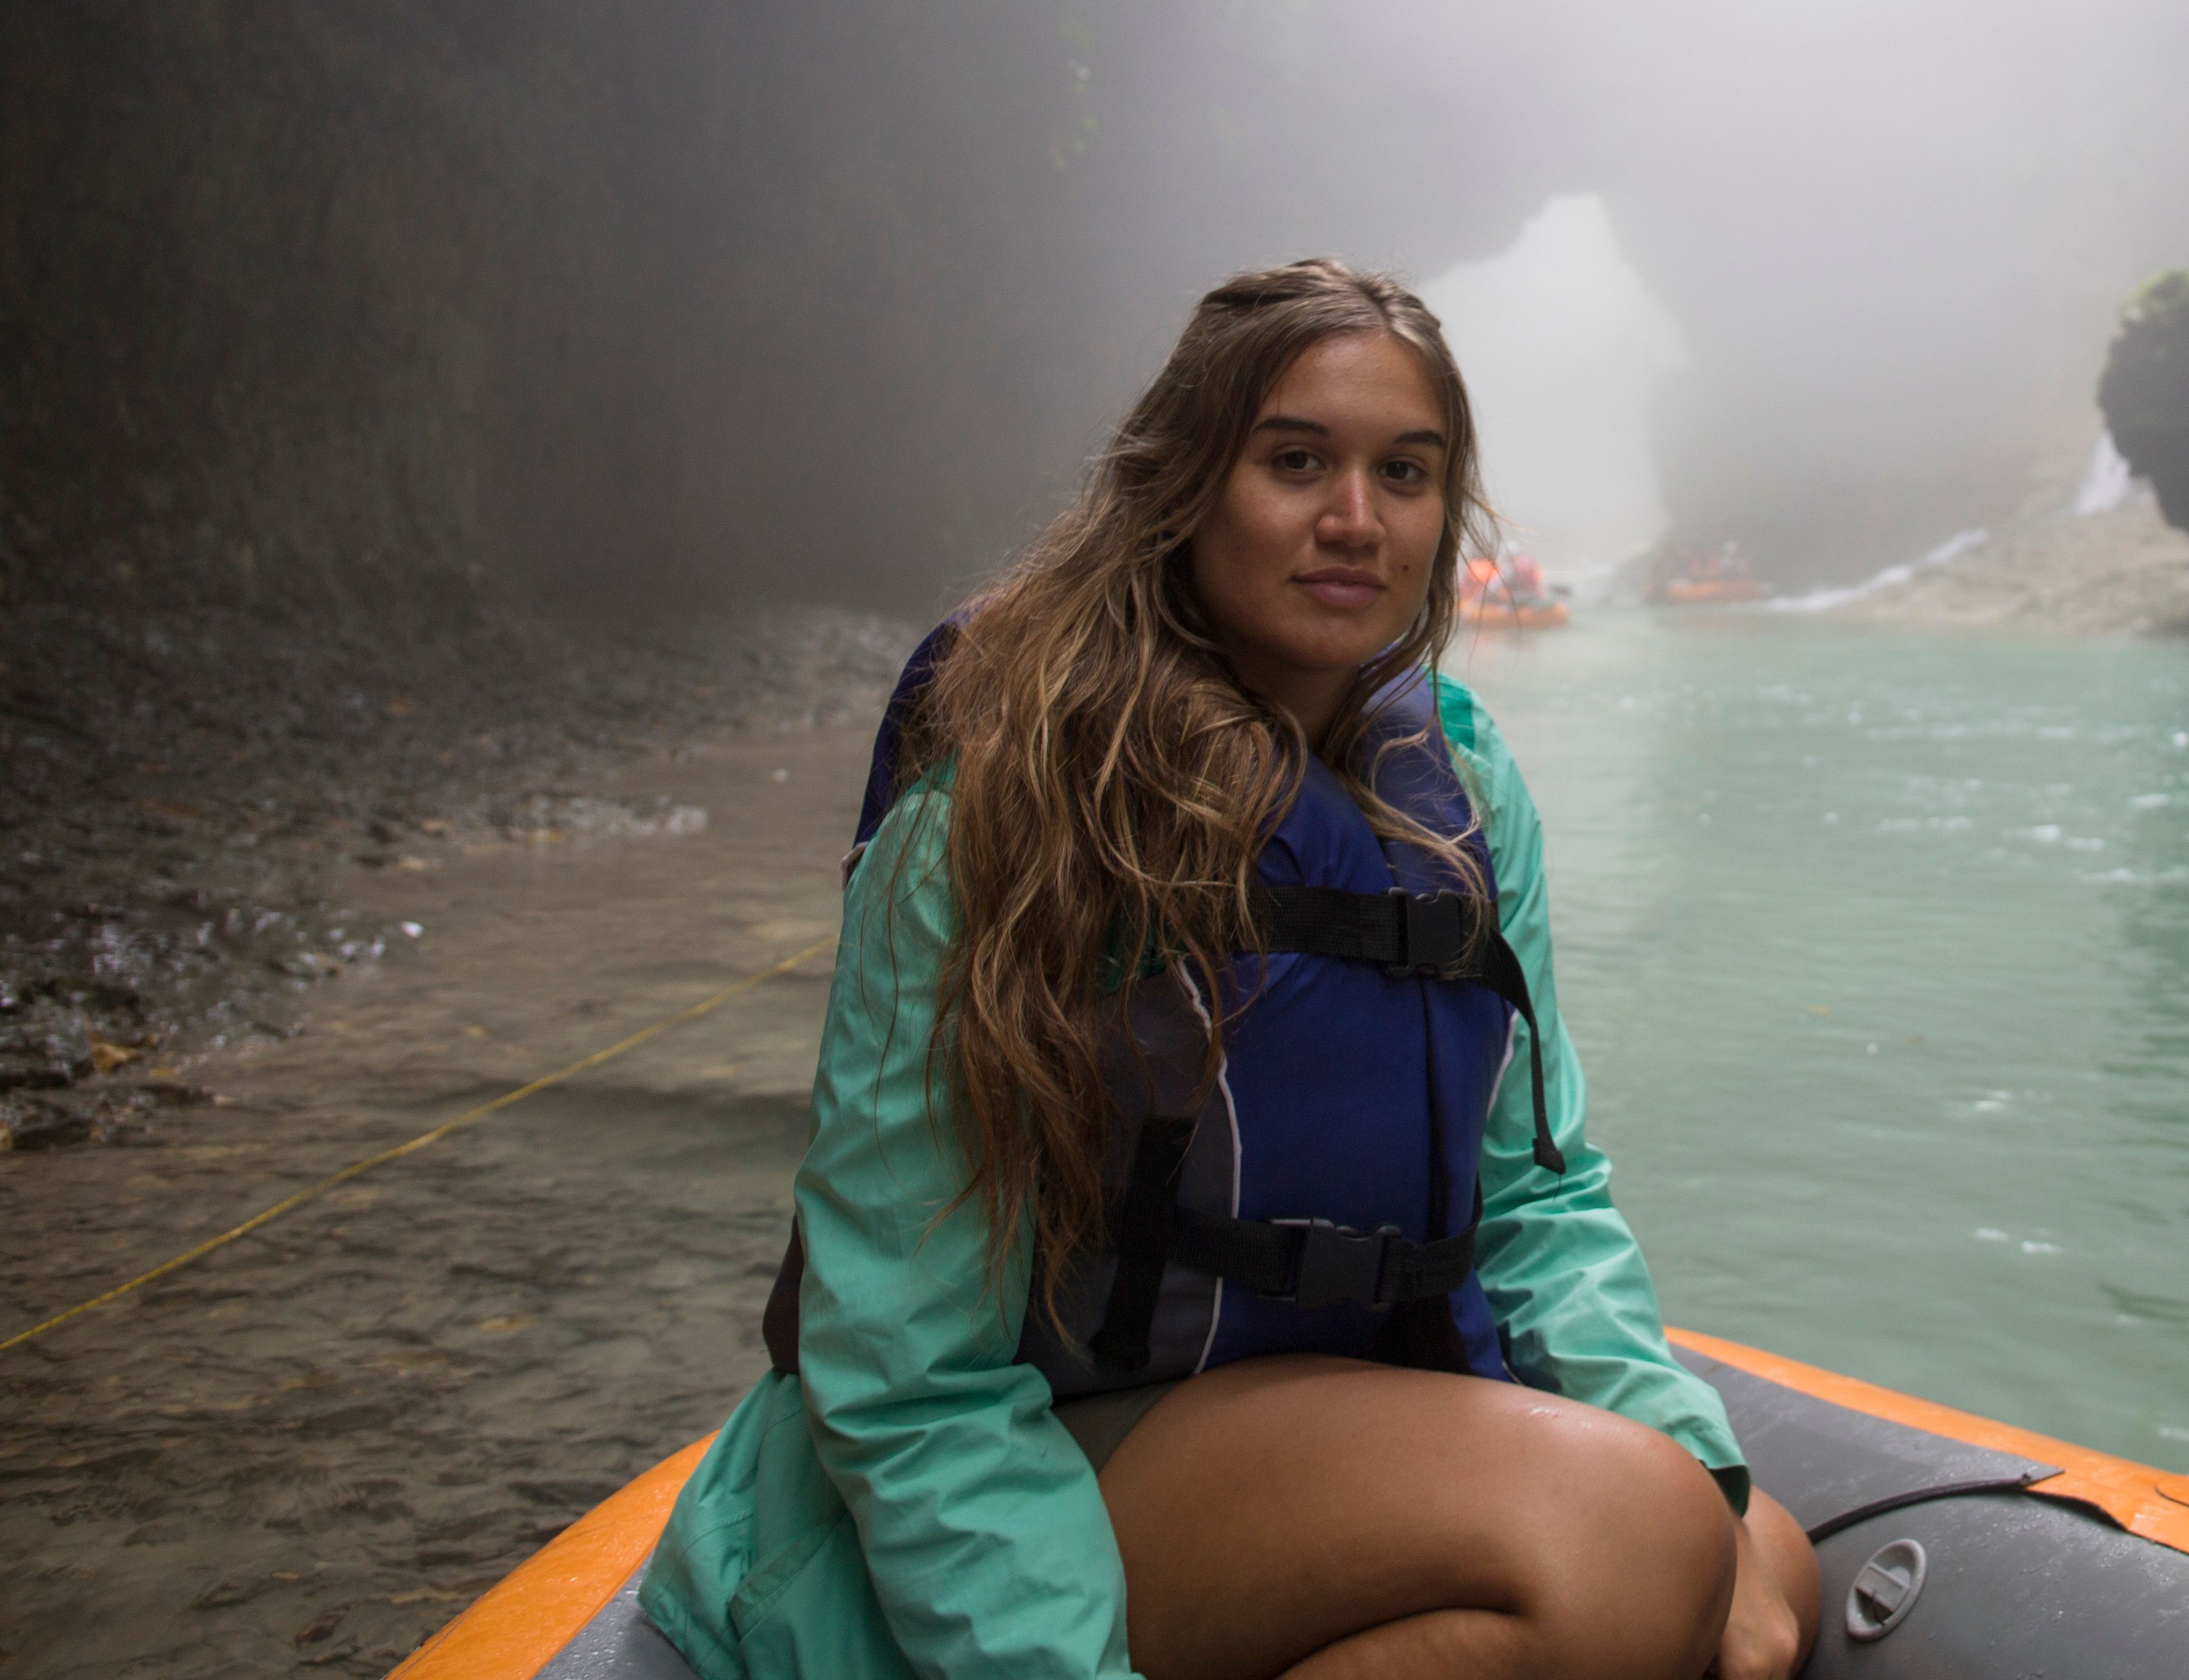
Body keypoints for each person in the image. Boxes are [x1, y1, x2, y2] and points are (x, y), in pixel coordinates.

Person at [641, 260, 1820, 1680]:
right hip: (1052, 1446)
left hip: (1312, 1422)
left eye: (1406, 472)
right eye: (1296, 462)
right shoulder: (1003, 807)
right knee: (1629, 1551)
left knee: (1752, 1552)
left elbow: (1538, 1193)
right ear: (1186, 482)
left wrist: (1699, 1469)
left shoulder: (1464, 787)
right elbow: (904, 1373)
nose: (1354, 519)